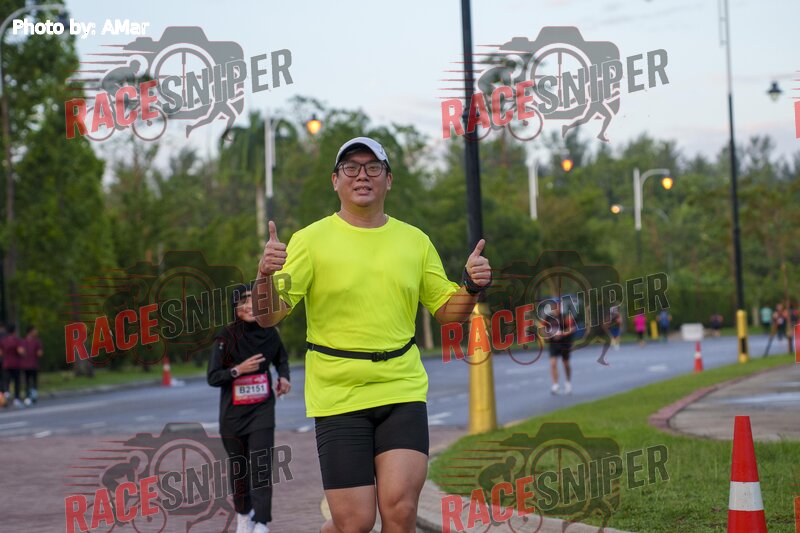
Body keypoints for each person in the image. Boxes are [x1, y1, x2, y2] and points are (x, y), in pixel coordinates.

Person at [253, 136, 492, 533]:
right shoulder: (310, 241)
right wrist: (264, 275)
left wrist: (470, 286)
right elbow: (268, 316)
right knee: (355, 522)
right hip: (338, 394)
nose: (362, 175)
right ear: (335, 181)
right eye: (351, 167)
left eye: (373, 167)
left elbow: (449, 313)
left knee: (400, 510)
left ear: (388, 180)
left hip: (401, 388)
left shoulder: (414, 241)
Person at [208, 283, 291, 533]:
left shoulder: (270, 333)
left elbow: (281, 359)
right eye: (243, 301)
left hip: (262, 410)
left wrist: (284, 377)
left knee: (262, 465)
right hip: (232, 415)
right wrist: (238, 370)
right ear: (234, 307)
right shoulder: (225, 337)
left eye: (254, 301)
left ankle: (262, 522)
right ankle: (244, 515)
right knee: (240, 468)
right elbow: (213, 376)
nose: (249, 306)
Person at [544, 299, 576, 395]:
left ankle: (568, 383)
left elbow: (572, 328)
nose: (556, 308)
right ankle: (555, 385)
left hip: (564, 343)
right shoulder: (548, 317)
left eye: (557, 306)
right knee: (553, 363)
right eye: (554, 306)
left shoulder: (566, 316)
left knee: (565, 364)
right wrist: (546, 335)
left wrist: (562, 333)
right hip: (553, 344)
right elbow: (544, 329)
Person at [1, 325, 24, 408]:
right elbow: (20, 351)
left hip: (6, 364)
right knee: (16, 382)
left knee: (7, 379)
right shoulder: (17, 340)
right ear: (14, 331)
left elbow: (1, 353)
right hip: (15, 364)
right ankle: (16, 399)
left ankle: (6, 392)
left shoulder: (3, 341)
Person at [20, 326, 43, 405]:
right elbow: (40, 353)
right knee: (32, 381)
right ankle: (32, 396)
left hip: (28, 365)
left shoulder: (23, 341)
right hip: (31, 364)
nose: (36, 332)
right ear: (30, 331)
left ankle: (29, 396)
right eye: (35, 330)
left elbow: (20, 352)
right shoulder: (36, 342)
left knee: (28, 381)